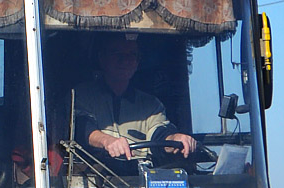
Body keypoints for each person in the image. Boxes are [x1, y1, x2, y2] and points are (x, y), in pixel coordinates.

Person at [74, 34, 195, 162]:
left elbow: (159, 134)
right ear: (102, 58)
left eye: (132, 55)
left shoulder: (151, 105)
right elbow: (82, 128)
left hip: (138, 177)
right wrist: (107, 141)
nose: (125, 60)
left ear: (137, 62)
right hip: (94, 177)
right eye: (116, 53)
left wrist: (175, 139)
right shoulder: (81, 96)